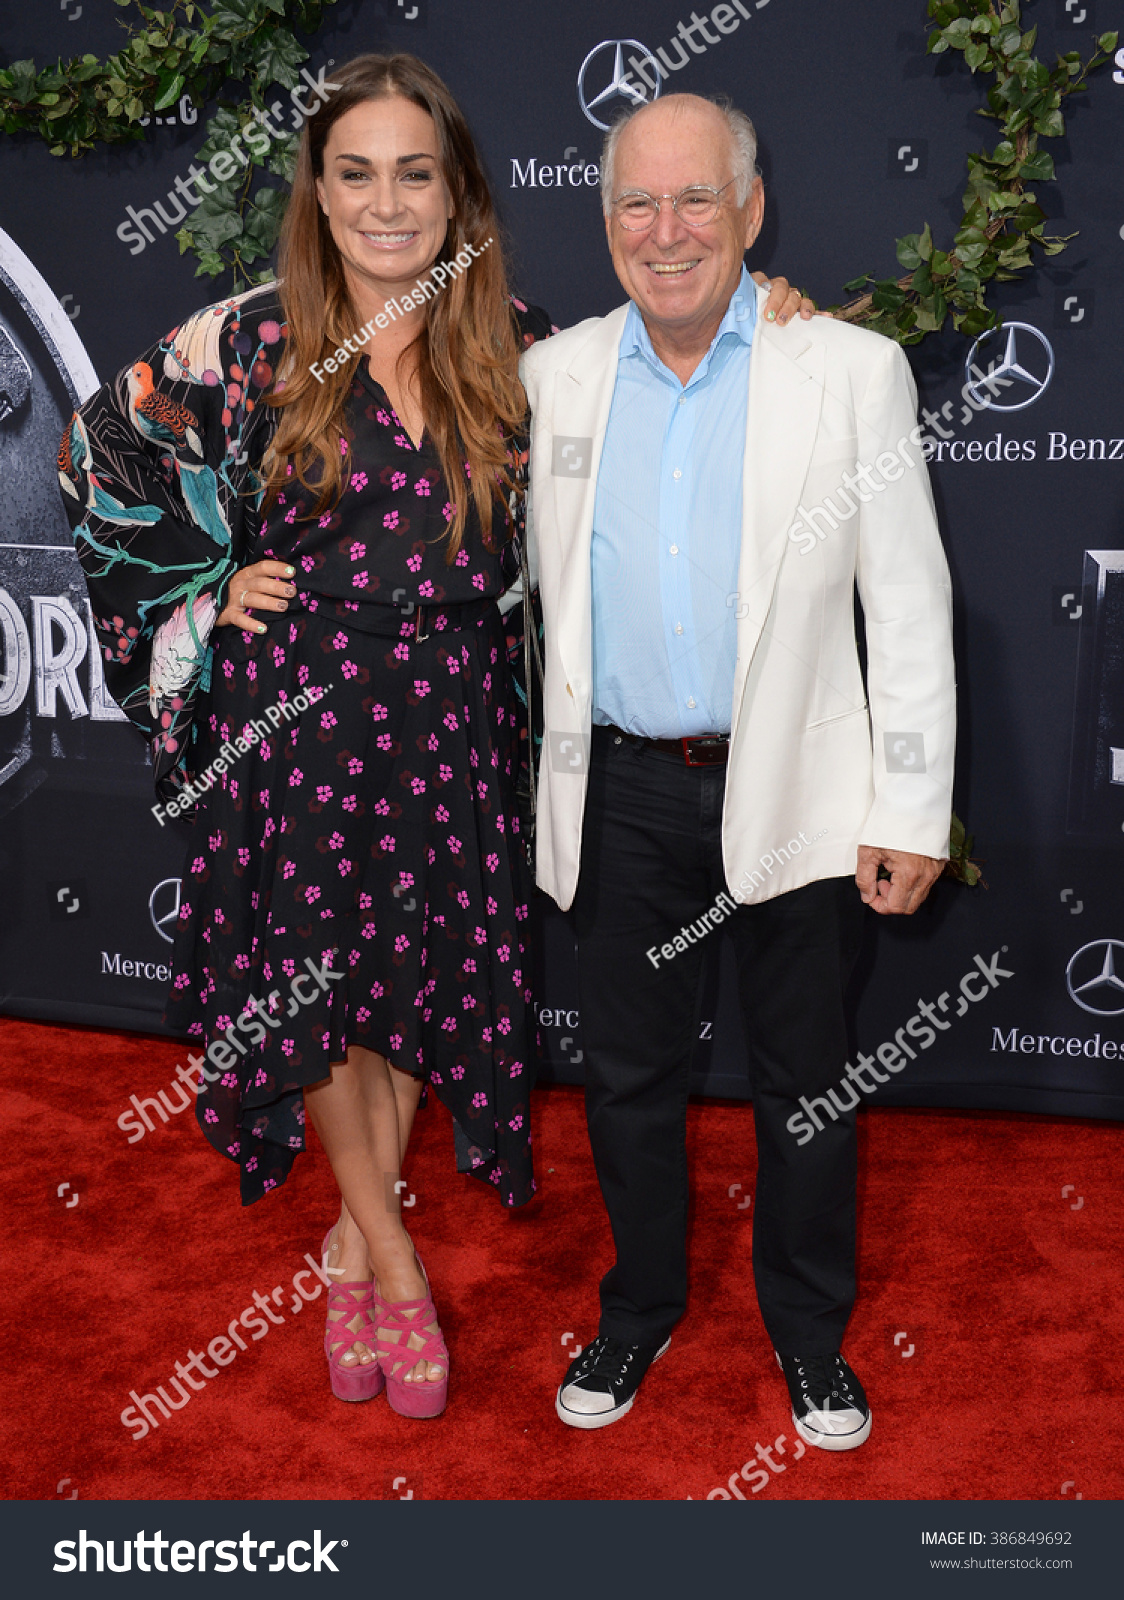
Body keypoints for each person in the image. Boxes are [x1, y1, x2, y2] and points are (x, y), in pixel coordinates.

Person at [60, 56, 814, 1420]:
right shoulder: (244, 338)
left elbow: (667, 390)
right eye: (357, 172)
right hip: (300, 716)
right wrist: (201, 589)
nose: (387, 201)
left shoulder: (514, 337)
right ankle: (396, 1266)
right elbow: (96, 447)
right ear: (319, 190)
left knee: (416, 986)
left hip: (459, 717)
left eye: (416, 172)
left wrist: (775, 316)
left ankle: (350, 1235)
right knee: (325, 991)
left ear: (460, 188)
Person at [521, 92, 956, 1447]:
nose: (668, 231)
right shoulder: (554, 379)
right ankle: (639, 1308)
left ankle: (811, 1338)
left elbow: (912, 602)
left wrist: (911, 803)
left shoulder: (846, 370)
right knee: (630, 1084)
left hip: (802, 796)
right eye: (638, 205)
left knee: (805, 1087)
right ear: (605, 227)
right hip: (624, 790)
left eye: (697, 199)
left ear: (752, 210)